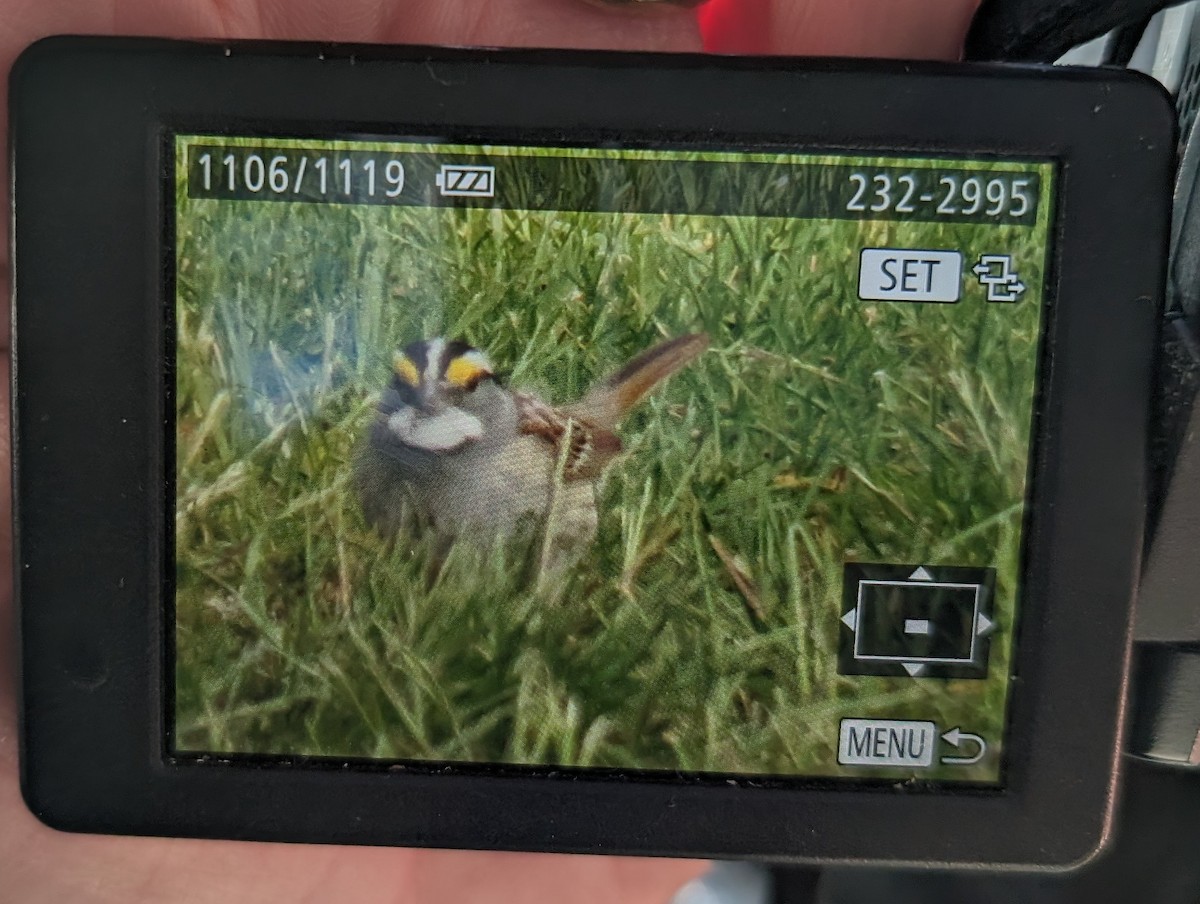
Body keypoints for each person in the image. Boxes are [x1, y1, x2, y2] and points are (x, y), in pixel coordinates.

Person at [0, 1, 978, 900]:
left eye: (458, 387)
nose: (423, 402)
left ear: (495, 394)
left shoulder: (525, 450)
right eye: (405, 386)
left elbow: (587, 461)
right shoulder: (373, 459)